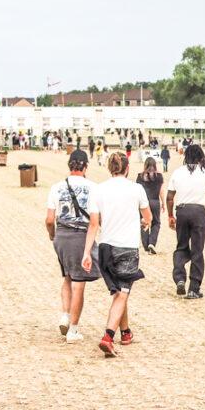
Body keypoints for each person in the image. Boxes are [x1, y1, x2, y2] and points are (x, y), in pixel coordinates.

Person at [81, 152, 151, 357]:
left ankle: (126, 332)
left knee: (120, 292)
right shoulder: (136, 189)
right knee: (122, 293)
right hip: (127, 247)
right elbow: (148, 216)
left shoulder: (98, 190)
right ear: (127, 168)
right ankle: (108, 337)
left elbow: (94, 224)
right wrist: (145, 223)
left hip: (105, 248)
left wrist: (86, 253)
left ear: (110, 169)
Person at [45, 149, 98, 343]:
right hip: (80, 236)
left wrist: (53, 236)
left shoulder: (56, 187)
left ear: (70, 165)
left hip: (61, 235)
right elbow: (95, 219)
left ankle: (65, 316)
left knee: (67, 276)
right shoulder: (93, 187)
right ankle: (73, 330)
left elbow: (50, 219)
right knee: (79, 284)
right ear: (85, 166)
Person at [166, 144, 205, 299]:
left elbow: (169, 197)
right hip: (199, 212)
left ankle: (180, 278)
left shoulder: (177, 172)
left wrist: (170, 216)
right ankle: (194, 288)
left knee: (181, 247)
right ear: (201, 157)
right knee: (197, 250)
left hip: (182, 211)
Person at [136, 157, 165, 254]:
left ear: (145, 165)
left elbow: (138, 192)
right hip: (155, 202)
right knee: (156, 223)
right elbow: (161, 191)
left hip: (144, 203)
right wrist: (164, 203)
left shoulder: (140, 176)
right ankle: (152, 242)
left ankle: (146, 245)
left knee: (144, 222)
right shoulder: (159, 176)